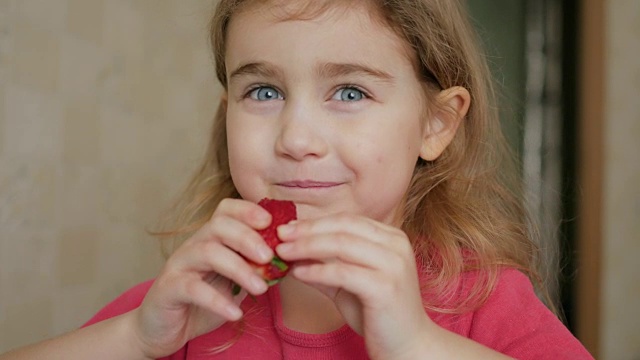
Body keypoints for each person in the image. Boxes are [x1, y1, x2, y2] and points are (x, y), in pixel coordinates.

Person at [0, 0, 594, 359]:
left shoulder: (484, 302)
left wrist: (419, 346)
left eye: (350, 91)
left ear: (435, 124)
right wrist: (135, 338)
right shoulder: (200, 300)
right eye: (263, 91)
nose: (295, 138)